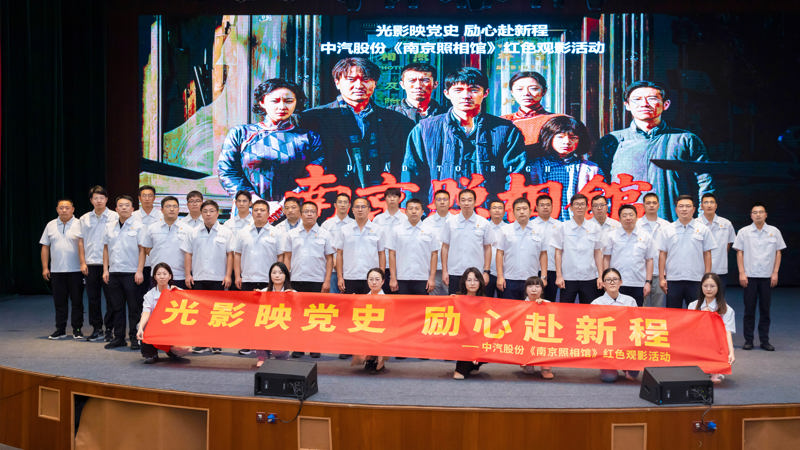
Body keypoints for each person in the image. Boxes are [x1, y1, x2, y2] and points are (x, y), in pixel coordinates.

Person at [592, 80, 714, 221]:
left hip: (674, 222)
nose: (644, 104)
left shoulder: (685, 140)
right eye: (637, 99)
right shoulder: (612, 141)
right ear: (627, 105)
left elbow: (705, 183)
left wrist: (703, 220)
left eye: (652, 98)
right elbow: (598, 185)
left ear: (666, 104)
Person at [402, 66, 526, 203]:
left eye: (474, 90)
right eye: (458, 90)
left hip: (489, 212)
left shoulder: (505, 130)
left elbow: (515, 178)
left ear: (485, 93)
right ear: (446, 93)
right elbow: (411, 177)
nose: (466, 96)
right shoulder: (425, 129)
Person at [299, 57, 414, 190]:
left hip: (380, 195)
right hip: (331, 194)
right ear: (337, 83)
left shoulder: (396, 121)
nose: (359, 85)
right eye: (351, 79)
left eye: (366, 79)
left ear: (375, 83)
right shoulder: (313, 119)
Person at [218, 78, 323, 201]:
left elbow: (315, 175)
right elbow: (227, 172)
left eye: (289, 101)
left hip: (293, 207)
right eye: (275, 101)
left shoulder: (309, 138)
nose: (282, 106)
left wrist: (286, 204)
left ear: (296, 103)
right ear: (262, 102)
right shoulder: (241, 134)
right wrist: (254, 201)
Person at [182, 200, 234, 354]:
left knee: (218, 312)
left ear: (217, 213)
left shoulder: (226, 232)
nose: (208, 214)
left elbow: (230, 255)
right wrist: (188, 274)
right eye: (205, 211)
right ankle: (202, 342)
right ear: (201, 213)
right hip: (199, 277)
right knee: (200, 312)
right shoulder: (193, 232)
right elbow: (188, 254)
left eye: (211, 211)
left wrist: (228, 275)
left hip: (219, 278)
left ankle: (216, 342)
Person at [285, 201, 336, 358]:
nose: (309, 214)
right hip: (296, 279)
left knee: (316, 315)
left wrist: (327, 281)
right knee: (298, 315)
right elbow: (287, 257)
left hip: (317, 280)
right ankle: (298, 347)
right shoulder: (292, 234)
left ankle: (315, 346)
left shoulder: (325, 234)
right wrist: (287, 281)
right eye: (306, 211)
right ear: (301, 214)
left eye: (312, 211)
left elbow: (330, 259)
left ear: (317, 214)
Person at [527, 116, 602, 221]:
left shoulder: (590, 169)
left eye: (573, 137)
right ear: (549, 137)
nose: (567, 142)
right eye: (560, 137)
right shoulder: (536, 167)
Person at [733, 202, 785, 351]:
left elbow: (778, 252)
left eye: (761, 212)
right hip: (749, 276)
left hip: (767, 276)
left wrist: (775, 272)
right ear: (751, 215)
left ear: (766, 215)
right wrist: (742, 273)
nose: (758, 215)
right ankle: (748, 340)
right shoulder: (744, 232)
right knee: (749, 310)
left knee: (765, 310)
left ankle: (764, 340)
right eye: (755, 212)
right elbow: (739, 252)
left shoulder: (774, 231)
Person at [102, 195, 146, 350]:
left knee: (134, 307)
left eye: (127, 205)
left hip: (131, 272)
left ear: (132, 209)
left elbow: (142, 250)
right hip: (114, 272)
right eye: (120, 205)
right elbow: (106, 249)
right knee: (116, 307)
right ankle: (119, 337)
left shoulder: (139, 226)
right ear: (116, 209)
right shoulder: (109, 226)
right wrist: (105, 270)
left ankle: (135, 338)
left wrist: (139, 271)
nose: (124, 208)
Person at [658, 195, 716, 309]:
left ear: (693, 209)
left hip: (696, 279)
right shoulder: (667, 229)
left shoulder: (703, 229)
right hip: (673, 279)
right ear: (676, 209)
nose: (684, 209)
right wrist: (661, 278)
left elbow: (707, 254)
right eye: (681, 206)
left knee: (696, 313)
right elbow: (662, 254)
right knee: (673, 314)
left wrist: (707, 277)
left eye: (688, 206)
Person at [77, 186, 118, 341]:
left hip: (110, 264)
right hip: (91, 263)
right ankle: (97, 328)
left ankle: (110, 329)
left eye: (102, 198)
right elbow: (80, 242)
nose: (99, 201)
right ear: (91, 200)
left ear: (106, 199)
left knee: (111, 298)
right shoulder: (84, 218)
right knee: (93, 299)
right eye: (96, 198)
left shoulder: (115, 216)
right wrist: (82, 262)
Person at [40, 199, 85, 340]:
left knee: (77, 301)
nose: (64, 210)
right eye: (61, 208)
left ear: (73, 209)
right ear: (57, 209)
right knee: (59, 302)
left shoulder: (80, 224)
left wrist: (84, 264)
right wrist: (45, 267)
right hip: (57, 271)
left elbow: (84, 245)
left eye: (67, 207)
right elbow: (45, 246)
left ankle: (77, 329)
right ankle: (60, 329)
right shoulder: (50, 225)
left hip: (76, 270)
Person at [552, 194, 604, 304]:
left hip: (589, 277)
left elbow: (597, 252)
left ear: (587, 207)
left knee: (589, 310)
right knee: (566, 309)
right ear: (571, 207)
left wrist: (600, 276)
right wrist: (559, 276)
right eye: (576, 204)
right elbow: (558, 253)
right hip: (568, 278)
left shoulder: (594, 228)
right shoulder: (562, 227)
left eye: (582, 204)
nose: (579, 207)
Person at [440, 189, 493, 295]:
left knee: (476, 303)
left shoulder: (483, 223)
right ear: (458, 202)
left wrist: (486, 272)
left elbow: (488, 248)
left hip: (476, 275)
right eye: (463, 200)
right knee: (455, 303)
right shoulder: (450, 222)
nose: (466, 203)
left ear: (475, 202)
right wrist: (445, 271)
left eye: (469, 200)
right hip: (455, 272)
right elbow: (445, 247)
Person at [591, 268, 639, 382]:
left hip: (626, 345)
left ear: (620, 282)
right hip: (606, 347)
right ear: (603, 284)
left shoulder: (630, 301)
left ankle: (625, 366)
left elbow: (637, 324)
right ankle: (609, 366)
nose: (612, 282)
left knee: (632, 376)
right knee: (609, 378)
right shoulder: (596, 303)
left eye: (615, 279)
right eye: (608, 280)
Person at [136, 263, 190, 364]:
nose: (162, 277)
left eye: (165, 274)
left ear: (170, 276)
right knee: (142, 326)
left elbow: (192, 303)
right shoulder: (150, 295)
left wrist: (179, 293)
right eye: (158, 274)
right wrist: (140, 328)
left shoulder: (177, 291)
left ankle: (172, 351)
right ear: (154, 277)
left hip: (171, 328)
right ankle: (151, 353)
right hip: (154, 328)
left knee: (184, 349)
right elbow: (146, 312)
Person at [603, 204, 656, 306]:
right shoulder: (611, 236)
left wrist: (648, 282)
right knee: (616, 312)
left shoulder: (645, 236)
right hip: (616, 283)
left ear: (636, 217)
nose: (628, 218)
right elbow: (606, 258)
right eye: (624, 215)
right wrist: (606, 280)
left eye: (631, 215)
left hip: (638, 283)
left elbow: (649, 260)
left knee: (636, 312)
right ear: (619, 219)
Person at [495, 198, 548, 300]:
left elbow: (543, 254)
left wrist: (543, 277)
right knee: (510, 308)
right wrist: (500, 276)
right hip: (509, 279)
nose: (522, 212)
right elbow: (499, 253)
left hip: (532, 280)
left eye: (524, 208)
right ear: (513, 212)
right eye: (518, 209)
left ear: (530, 211)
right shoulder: (505, 230)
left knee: (530, 308)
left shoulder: (539, 230)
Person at [687, 273, 735, 383]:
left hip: (715, 344)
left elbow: (727, 332)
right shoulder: (693, 306)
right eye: (705, 286)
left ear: (718, 288)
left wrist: (731, 352)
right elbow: (688, 329)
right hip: (697, 342)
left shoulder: (727, 310)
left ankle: (716, 371)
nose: (708, 289)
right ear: (701, 287)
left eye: (712, 286)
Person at [335, 197, 386, 295]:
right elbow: (339, 254)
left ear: (369, 210)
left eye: (363, 207)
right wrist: (340, 277)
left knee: (370, 304)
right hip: (350, 276)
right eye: (357, 207)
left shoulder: (378, 229)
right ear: (352, 210)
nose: (360, 209)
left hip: (372, 279)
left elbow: (381, 253)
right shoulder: (344, 229)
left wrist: (381, 276)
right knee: (350, 304)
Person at [387, 198, 438, 295]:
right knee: (402, 304)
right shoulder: (397, 230)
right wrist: (393, 277)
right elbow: (392, 254)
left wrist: (432, 278)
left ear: (422, 212)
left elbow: (434, 254)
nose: (414, 211)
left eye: (417, 209)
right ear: (406, 212)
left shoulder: (430, 230)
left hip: (423, 278)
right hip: (402, 277)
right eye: (410, 209)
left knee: (421, 304)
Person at [234, 200, 285, 291]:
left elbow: (280, 257)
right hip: (247, 279)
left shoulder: (277, 233)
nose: (259, 212)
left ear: (268, 213)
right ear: (252, 213)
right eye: (256, 210)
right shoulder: (242, 232)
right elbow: (237, 255)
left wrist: (278, 276)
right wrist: (237, 276)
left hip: (269, 280)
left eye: (262, 210)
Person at [501, 71, 559, 150]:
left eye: (533, 89)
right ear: (512, 93)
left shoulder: (557, 120)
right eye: (519, 89)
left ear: (544, 91)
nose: (526, 93)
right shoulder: (503, 121)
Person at [140, 196, 190, 289]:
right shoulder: (152, 228)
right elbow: (147, 249)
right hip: (158, 276)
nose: (172, 209)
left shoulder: (187, 229)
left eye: (175, 206)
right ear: (162, 210)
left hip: (180, 276)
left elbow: (190, 252)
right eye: (168, 206)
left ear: (179, 209)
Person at [253, 262, 294, 367]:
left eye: (280, 273)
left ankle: (283, 356)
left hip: (282, 326)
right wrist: (256, 297)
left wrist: (292, 299)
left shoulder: (292, 292)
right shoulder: (264, 291)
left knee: (279, 352)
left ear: (286, 275)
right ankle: (262, 357)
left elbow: (298, 313)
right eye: (274, 273)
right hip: (266, 326)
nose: (277, 276)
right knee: (258, 328)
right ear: (270, 275)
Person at [353, 268, 390, 374]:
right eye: (371, 279)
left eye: (377, 279)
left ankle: (380, 361)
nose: (374, 282)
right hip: (366, 328)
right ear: (367, 281)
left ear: (382, 281)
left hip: (382, 330)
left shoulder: (388, 299)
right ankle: (369, 359)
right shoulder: (363, 298)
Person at [453, 267, 488, 380]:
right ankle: (469, 364)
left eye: (476, 280)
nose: (472, 283)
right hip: (462, 342)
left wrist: (477, 351)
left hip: (478, 341)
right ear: (464, 282)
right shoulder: (456, 299)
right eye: (469, 280)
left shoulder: (486, 302)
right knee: (458, 376)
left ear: (480, 282)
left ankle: (475, 364)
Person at [372, 187, 408, 292]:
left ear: (400, 199)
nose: (392, 199)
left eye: (395, 196)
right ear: (385, 199)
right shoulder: (378, 219)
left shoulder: (405, 219)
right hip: (381, 265)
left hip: (401, 266)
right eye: (389, 196)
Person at [637, 192, 670, 307]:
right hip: (641, 275)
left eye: (654, 203)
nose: (651, 205)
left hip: (661, 275)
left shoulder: (666, 226)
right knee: (641, 309)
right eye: (648, 203)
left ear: (658, 205)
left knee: (659, 310)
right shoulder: (636, 225)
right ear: (643, 205)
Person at [698, 193, 736, 291]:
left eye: (712, 202)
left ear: (716, 205)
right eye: (706, 202)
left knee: (719, 298)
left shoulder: (726, 223)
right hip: (699, 271)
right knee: (699, 299)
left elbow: (728, 245)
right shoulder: (695, 224)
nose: (709, 205)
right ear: (701, 206)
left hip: (720, 270)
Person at [519, 276, 554, 379]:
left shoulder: (548, 303)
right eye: (530, 286)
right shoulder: (520, 305)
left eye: (537, 286)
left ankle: (545, 367)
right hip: (527, 336)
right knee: (529, 371)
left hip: (543, 336)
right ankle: (526, 362)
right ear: (526, 290)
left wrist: (543, 307)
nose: (534, 289)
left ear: (542, 290)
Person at [421, 189, 453, 296]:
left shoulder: (455, 221)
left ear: (450, 201)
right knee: (433, 302)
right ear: (434, 202)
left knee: (452, 300)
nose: (442, 202)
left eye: (445, 199)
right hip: (432, 271)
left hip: (451, 269)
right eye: (439, 200)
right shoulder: (427, 222)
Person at [321, 193, 354, 294]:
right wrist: (333, 261)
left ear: (349, 205)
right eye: (340, 202)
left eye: (345, 202)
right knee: (332, 299)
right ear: (335, 205)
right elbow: (321, 246)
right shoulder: (327, 224)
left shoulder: (354, 224)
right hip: (331, 270)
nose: (342, 205)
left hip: (350, 270)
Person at [131, 185, 163, 293]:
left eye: (150, 195)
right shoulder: (132, 216)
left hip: (158, 263)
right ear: (139, 198)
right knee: (138, 296)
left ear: (154, 198)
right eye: (144, 196)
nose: (147, 198)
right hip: (137, 264)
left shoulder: (162, 216)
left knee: (158, 295)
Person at [531, 194, 562, 301]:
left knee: (549, 301)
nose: (545, 207)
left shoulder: (560, 225)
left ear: (552, 207)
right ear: (536, 207)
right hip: (534, 269)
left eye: (548, 205)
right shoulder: (531, 225)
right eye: (542, 205)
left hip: (553, 269)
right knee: (532, 300)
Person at [485, 199, 506, 297]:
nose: (497, 210)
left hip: (504, 273)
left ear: (504, 212)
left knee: (504, 303)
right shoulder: (484, 227)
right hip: (486, 273)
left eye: (500, 208)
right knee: (485, 302)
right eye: (494, 208)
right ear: (489, 211)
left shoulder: (509, 229)